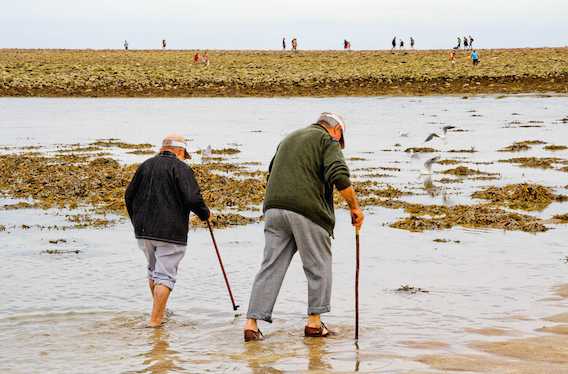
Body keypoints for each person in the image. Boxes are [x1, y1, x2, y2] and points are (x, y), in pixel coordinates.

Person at [243, 112, 365, 342]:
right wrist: (355, 208)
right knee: (318, 266)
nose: (339, 143)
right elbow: (339, 175)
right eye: (340, 140)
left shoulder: (288, 138)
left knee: (270, 267)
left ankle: (251, 325)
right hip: (307, 211)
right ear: (336, 130)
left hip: (273, 209)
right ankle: (314, 324)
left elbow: (271, 173)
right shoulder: (327, 140)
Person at [125, 133, 211, 328]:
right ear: (180, 151)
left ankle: (159, 313)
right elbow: (192, 198)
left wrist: (136, 221)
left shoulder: (145, 165)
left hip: (144, 229)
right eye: (184, 154)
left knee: (154, 271)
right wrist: (205, 214)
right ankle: (155, 321)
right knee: (165, 276)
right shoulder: (181, 168)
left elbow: (128, 195)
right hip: (170, 232)